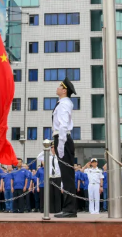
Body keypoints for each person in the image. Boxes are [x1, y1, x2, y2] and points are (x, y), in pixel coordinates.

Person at [52, 77, 77, 218]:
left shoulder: (64, 104)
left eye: (60, 86)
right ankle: (68, 208)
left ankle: (70, 209)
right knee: (66, 175)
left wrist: (60, 145)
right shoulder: (62, 103)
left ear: (64, 90)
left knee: (67, 176)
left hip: (63, 139)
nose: (57, 88)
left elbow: (63, 125)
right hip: (62, 139)